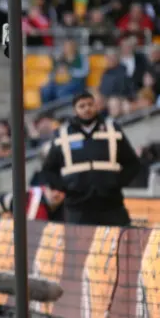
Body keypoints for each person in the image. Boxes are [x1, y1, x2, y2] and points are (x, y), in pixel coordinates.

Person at [41, 91, 141, 226]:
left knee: (119, 243)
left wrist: (116, 182)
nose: (87, 108)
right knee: (78, 246)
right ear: (74, 110)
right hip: (77, 208)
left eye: (90, 104)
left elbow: (133, 164)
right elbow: (49, 170)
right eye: (82, 106)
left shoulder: (113, 130)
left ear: (96, 106)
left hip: (111, 204)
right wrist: (66, 188)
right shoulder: (62, 134)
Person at [0, 183, 65, 222]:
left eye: (61, 191)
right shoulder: (28, 197)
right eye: (53, 188)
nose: (56, 194)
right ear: (45, 188)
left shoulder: (67, 210)